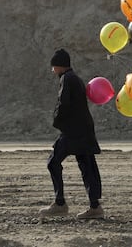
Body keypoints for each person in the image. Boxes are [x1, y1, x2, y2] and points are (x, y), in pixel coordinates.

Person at [39, 48, 104, 219]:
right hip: (84, 130)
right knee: (87, 167)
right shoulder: (75, 78)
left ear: (60, 66)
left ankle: (60, 203)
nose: (52, 70)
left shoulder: (66, 79)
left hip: (73, 132)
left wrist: (56, 121)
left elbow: (63, 104)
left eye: (54, 66)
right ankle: (95, 207)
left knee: (52, 162)